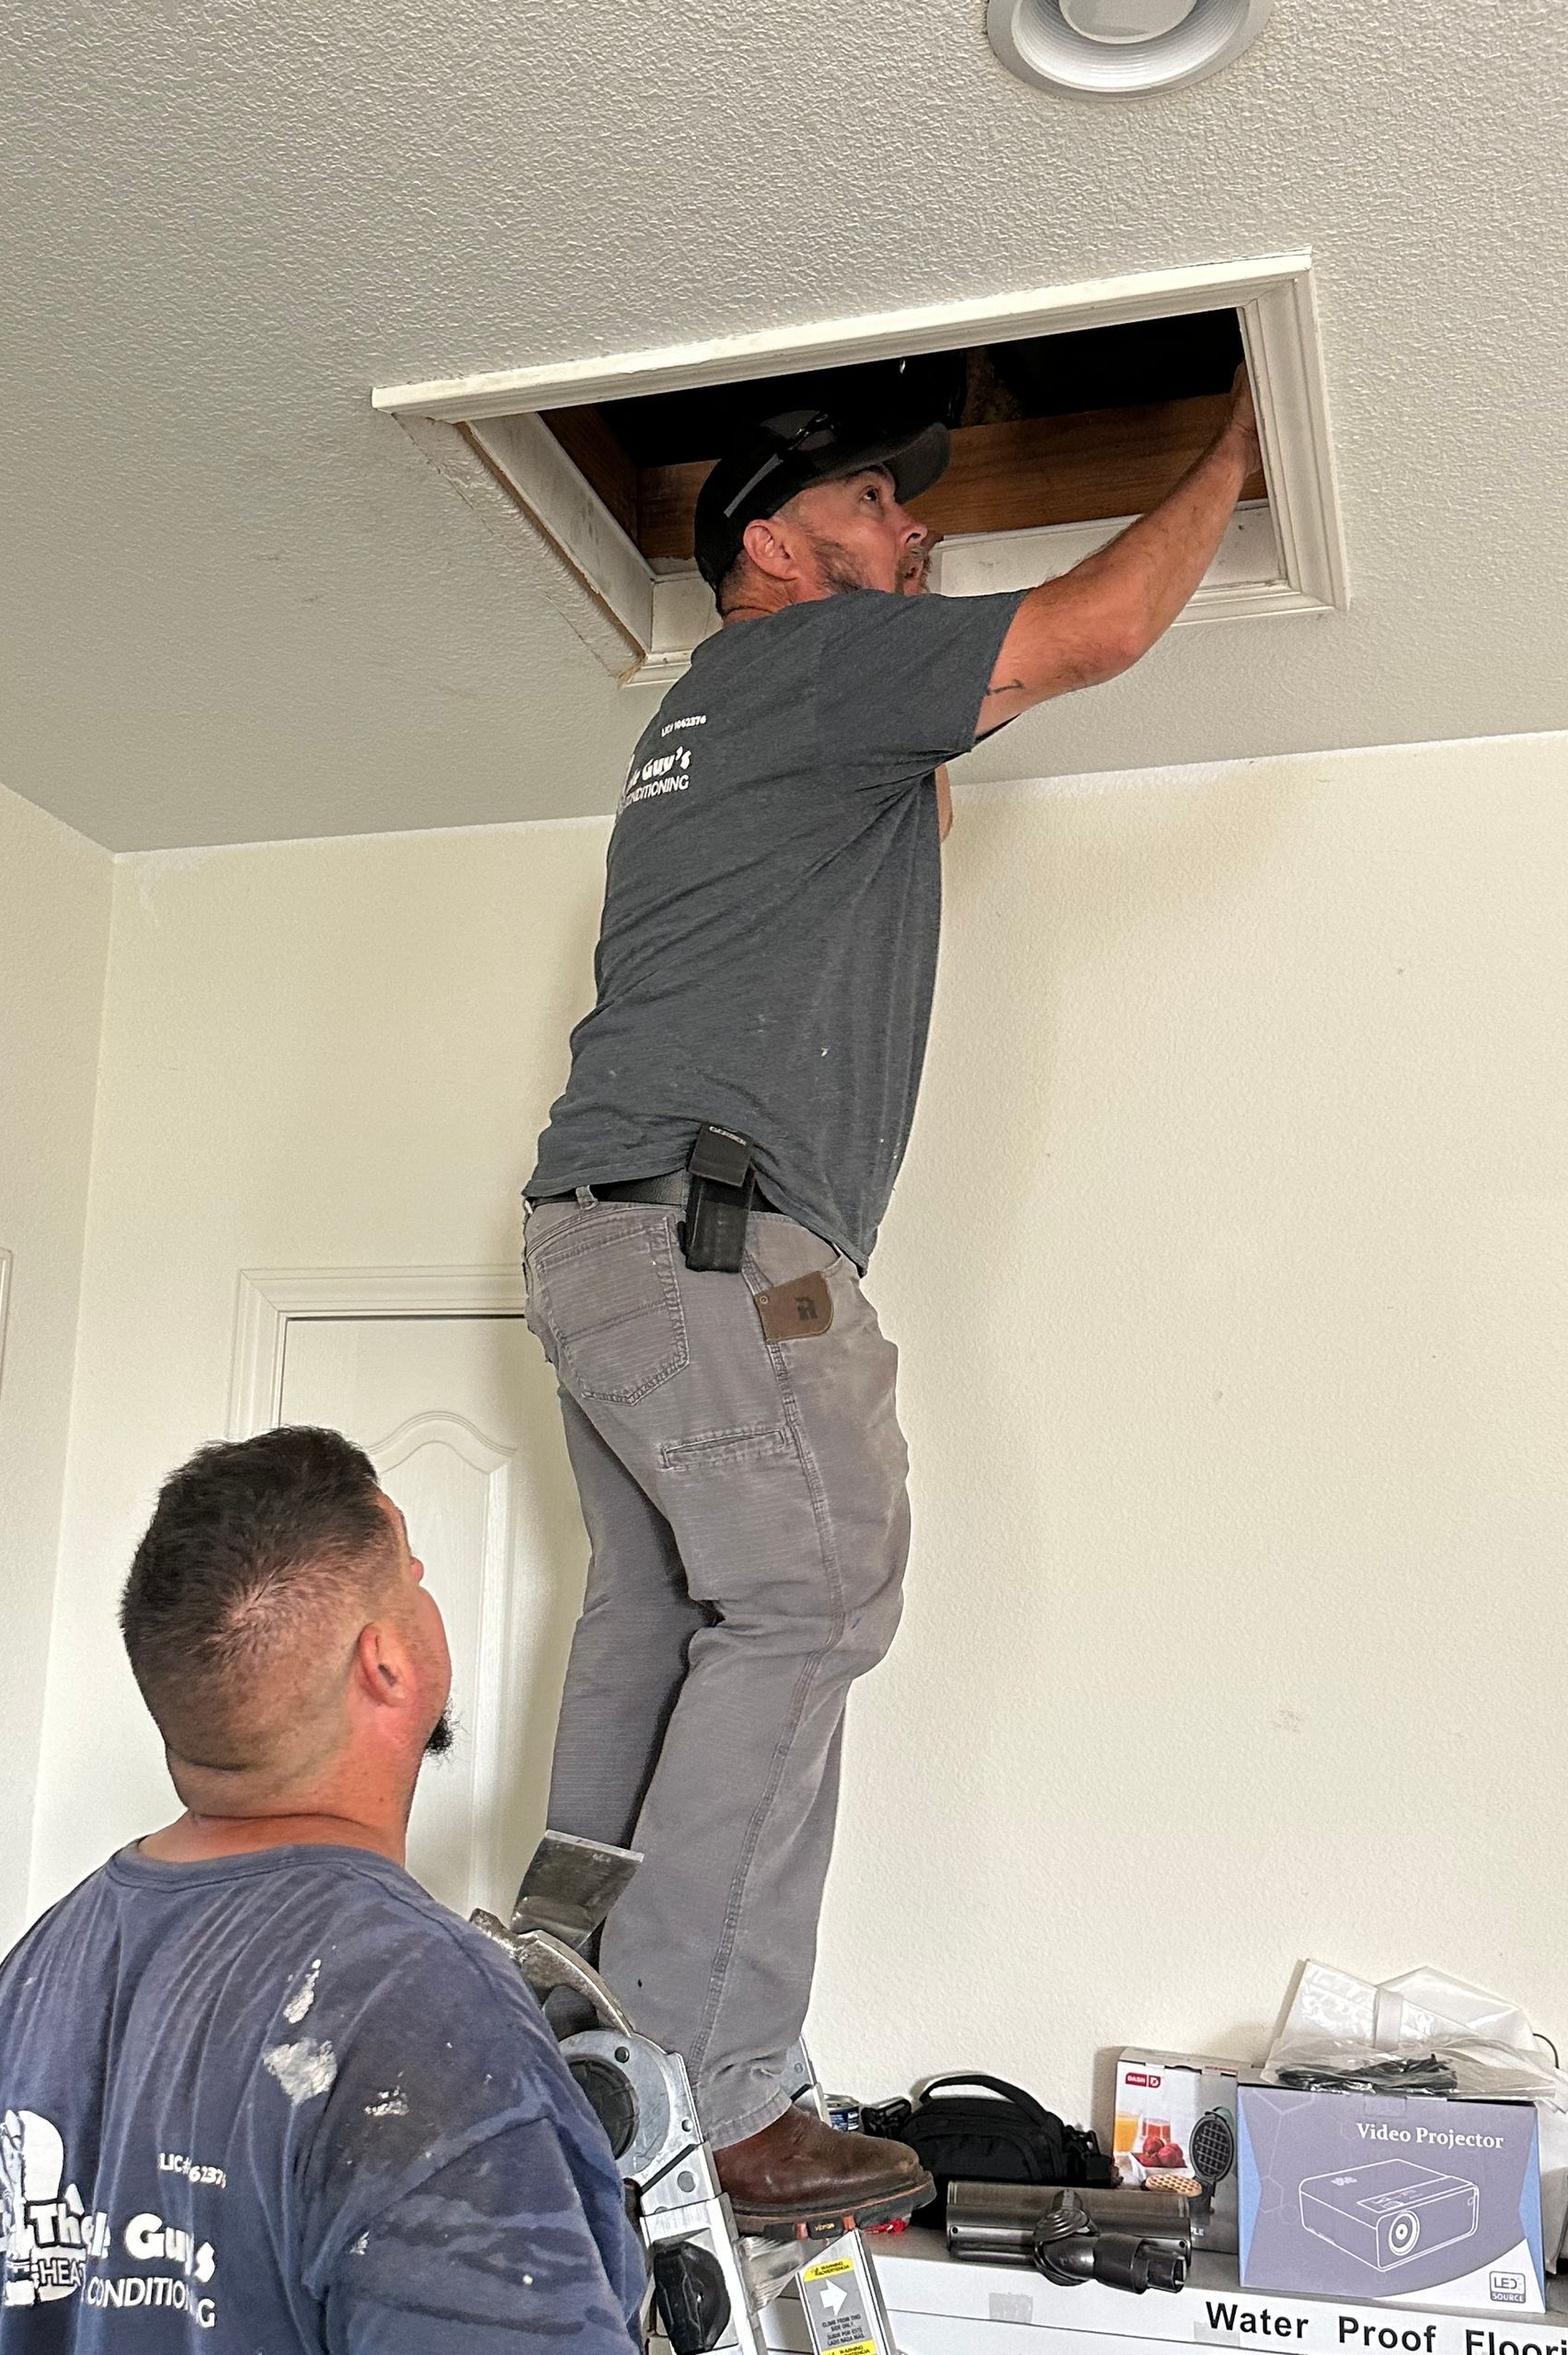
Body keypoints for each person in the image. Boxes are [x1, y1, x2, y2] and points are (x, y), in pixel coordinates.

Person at [521, 380, 1264, 2232]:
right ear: (773, 543)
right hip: (717, 1238)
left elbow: (927, 792)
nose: (913, 527)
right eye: (873, 496)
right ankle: (708, 2095)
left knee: (664, 1619)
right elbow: (1098, 631)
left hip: (599, 1233)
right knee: (814, 1594)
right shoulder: (818, 660)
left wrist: (938, 688)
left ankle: (560, 2020)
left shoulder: (725, 721)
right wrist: (1242, 442)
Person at [0, 1425, 644, 2351]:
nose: (426, 1590)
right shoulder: (426, 2004)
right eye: (413, 1572)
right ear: (386, 1663)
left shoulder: (42, 1963)